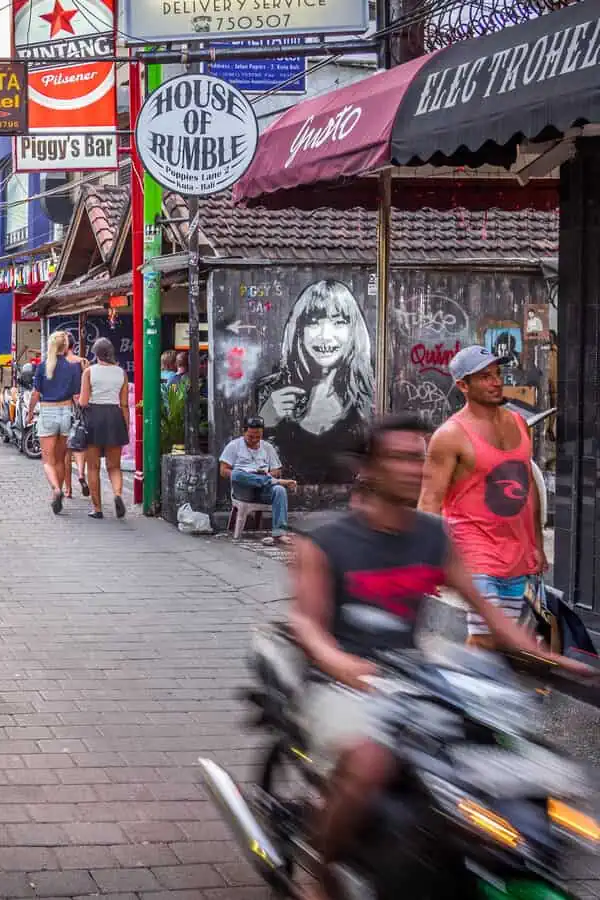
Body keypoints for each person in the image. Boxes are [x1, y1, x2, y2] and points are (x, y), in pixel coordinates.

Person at [289, 413, 587, 900]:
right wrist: (339, 662)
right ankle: (319, 863)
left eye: (419, 458)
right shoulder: (325, 541)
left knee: (493, 753)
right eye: (400, 458)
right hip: (340, 683)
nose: (414, 468)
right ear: (369, 468)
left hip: (414, 680)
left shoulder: (434, 536)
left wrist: (551, 659)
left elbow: (491, 616)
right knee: (371, 760)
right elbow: (306, 622)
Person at [418, 345, 544, 647]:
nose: (496, 382)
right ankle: (473, 688)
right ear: (463, 385)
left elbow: (527, 485)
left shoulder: (518, 423)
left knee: (500, 639)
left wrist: (536, 543)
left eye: (498, 374)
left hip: (515, 550)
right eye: (485, 377)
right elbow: (429, 502)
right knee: (486, 634)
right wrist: (426, 562)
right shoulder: (450, 436)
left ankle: (470, 686)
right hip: (472, 549)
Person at [259, 280, 374, 483]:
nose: (325, 336)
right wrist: (264, 422)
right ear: (299, 331)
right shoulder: (268, 391)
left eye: (339, 322)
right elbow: (246, 457)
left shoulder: (371, 394)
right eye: (314, 322)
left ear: (354, 332)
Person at [26, 331, 81, 514]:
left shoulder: (42, 367)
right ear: (65, 346)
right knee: (60, 459)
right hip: (66, 412)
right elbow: (76, 395)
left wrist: (30, 412)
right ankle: (58, 492)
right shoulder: (73, 368)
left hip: (48, 412)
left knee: (48, 460)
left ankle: (56, 490)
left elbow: (35, 393)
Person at [218, 417, 296, 544]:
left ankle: (279, 533)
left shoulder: (268, 448)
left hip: (263, 490)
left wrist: (266, 474)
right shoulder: (234, 446)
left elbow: (277, 471)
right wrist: (248, 475)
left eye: (258, 437)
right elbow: (223, 471)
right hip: (243, 490)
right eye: (250, 437)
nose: (254, 440)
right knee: (237, 474)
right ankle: (272, 481)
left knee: (279, 490)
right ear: (244, 432)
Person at [78, 337, 129, 519]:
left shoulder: (89, 372)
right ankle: (117, 494)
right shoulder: (121, 373)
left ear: (96, 354)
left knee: (93, 467)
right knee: (114, 466)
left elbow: (83, 401)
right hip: (115, 417)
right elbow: (124, 404)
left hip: (94, 417)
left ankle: (97, 508)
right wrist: (125, 424)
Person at [63, 332, 89, 500]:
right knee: (79, 444)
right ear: (73, 345)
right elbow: (90, 384)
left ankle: (68, 489)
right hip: (82, 407)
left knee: (66, 450)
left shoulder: (59, 363)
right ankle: (80, 473)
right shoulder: (83, 362)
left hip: (64, 407)